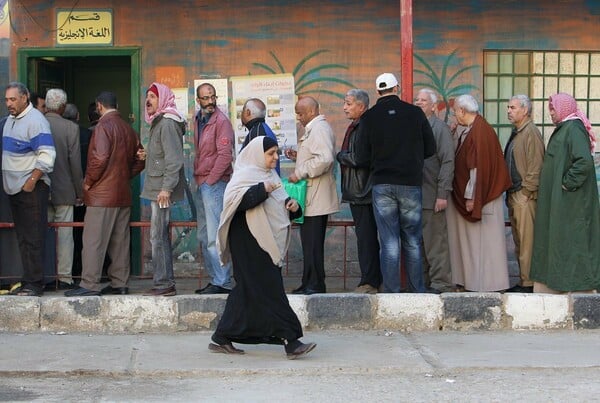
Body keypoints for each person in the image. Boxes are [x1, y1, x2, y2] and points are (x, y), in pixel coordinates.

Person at [210, 136, 316, 359]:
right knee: (271, 288)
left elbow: (283, 204)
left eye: (277, 153)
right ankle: (291, 339)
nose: (275, 158)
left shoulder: (270, 175)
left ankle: (221, 337)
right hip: (247, 240)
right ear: (258, 154)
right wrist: (261, 190)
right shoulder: (243, 176)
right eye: (271, 154)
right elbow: (234, 205)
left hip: (265, 240)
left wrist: (293, 206)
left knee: (246, 291)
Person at [361, 73, 436, 293]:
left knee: (389, 242)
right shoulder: (415, 113)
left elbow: (363, 157)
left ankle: (391, 291)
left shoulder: (369, 117)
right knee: (412, 239)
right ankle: (416, 290)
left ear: (377, 92)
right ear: (398, 88)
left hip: (382, 185)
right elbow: (430, 149)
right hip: (410, 184)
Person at [65, 91, 144, 296]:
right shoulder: (128, 129)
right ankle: (120, 283)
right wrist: (124, 176)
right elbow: (140, 160)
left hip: (102, 196)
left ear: (99, 106)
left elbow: (99, 158)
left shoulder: (102, 127)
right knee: (120, 243)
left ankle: (89, 284)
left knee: (93, 241)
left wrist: (89, 182)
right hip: (122, 194)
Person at [530, 93, 600, 294]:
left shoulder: (574, 129)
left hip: (571, 201)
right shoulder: (565, 129)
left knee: (571, 240)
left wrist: (567, 185)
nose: (550, 113)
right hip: (562, 200)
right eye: (550, 109)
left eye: (553, 109)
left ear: (564, 108)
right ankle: (555, 283)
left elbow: (584, 162)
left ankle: (577, 285)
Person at [446, 94, 511, 292]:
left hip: (481, 197)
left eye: (456, 110)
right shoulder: (474, 129)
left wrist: (471, 197)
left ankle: (483, 284)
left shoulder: (480, 133)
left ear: (462, 111)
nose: (454, 114)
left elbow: (477, 169)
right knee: (479, 244)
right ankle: (475, 282)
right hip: (479, 195)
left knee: (482, 244)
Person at [2, 82, 55, 296]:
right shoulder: (9, 121)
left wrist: (31, 181)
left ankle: (35, 284)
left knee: (33, 238)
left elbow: (47, 156)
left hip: (31, 189)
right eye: (6, 100)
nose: (9, 104)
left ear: (25, 98)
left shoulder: (36, 121)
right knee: (23, 238)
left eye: (13, 99)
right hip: (14, 189)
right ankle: (27, 281)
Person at [286, 96, 339, 295]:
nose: (298, 117)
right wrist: (298, 157)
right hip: (311, 196)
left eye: (300, 113)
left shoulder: (319, 129)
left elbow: (325, 159)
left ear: (311, 112)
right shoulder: (313, 129)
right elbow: (315, 155)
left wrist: (299, 172)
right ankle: (308, 282)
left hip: (317, 197)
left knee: (313, 244)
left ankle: (315, 284)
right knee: (308, 243)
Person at [141, 83, 186, 296]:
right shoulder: (159, 121)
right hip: (157, 188)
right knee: (158, 235)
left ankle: (164, 283)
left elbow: (174, 159)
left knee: (158, 236)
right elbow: (163, 154)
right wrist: (148, 156)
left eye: (153, 96)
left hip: (162, 190)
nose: (148, 100)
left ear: (164, 99)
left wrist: (166, 189)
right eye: (147, 96)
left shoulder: (167, 123)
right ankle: (163, 282)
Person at [336, 89, 381, 294]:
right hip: (360, 191)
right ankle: (370, 279)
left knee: (367, 239)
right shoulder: (358, 125)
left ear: (361, 106)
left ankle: (370, 281)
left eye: (348, 103)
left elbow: (361, 158)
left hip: (364, 191)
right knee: (366, 238)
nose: (345, 107)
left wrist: (340, 156)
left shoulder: (365, 126)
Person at [193, 83, 234, 294]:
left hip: (214, 184)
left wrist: (210, 181)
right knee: (203, 235)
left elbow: (225, 155)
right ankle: (216, 279)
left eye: (213, 97)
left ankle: (223, 281)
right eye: (206, 98)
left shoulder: (222, 121)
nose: (210, 101)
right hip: (202, 183)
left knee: (214, 236)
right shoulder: (198, 119)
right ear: (198, 100)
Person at [414, 88, 455, 294]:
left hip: (432, 195)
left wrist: (442, 194)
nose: (419, 103)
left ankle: (441, 284)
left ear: (433, 105)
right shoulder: (414, 127)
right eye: (417, 99)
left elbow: (448, 162)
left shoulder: (440, 129)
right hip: (415, 197)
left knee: (435, 243)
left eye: (423, 100)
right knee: (419, 245)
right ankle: (424, 283)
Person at [504, 95, 545, 293]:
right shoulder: (518, 133)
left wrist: (527, 191)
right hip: (514, 194)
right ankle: (523, 280)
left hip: (524, 195)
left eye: (513, 107)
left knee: (527, 241)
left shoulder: (531, 132)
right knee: (519, 241)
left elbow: (536, 166)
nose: (509, 111)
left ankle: (529, 283)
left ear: (525, 110)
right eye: (508, 107)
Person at [44, 89, 83, 289]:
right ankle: (64, 278)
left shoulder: (37, 124)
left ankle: (46, 276)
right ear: (62, 107)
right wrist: (80, 191)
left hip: (39, 189)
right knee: (65, 236)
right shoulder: (70, 128)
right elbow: (75, 163)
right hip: (64, 189)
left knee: (43, 234)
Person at [63, 103, 92, 283]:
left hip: (60, 191)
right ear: (78, 116)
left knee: (63, 233)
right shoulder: (87, 134)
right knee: (81, 233)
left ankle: (65, 273)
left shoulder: (47, 129)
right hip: (83, 189)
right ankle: (77, 270)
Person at [239, 97, 280, 175]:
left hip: (264, 183)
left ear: (247, 112)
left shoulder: (257, 133)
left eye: (243, 110)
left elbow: (256, 167)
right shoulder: (262, 128)